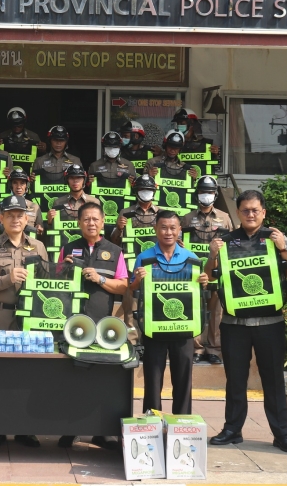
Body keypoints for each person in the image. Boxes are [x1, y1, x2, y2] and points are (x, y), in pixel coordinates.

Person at [205, 190, 287, 453]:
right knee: (235, 380)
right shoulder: (223, 240)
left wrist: (285, 251)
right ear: (239, 213)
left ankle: (282, 434)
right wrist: (212, 255)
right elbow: (208, 277)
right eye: (245, 210)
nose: (250, 214)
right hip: (235, 324)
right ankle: (232, 429)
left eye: (255, 210)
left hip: (271, 322)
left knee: (274, 381)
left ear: (264, 212)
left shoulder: (276, 239)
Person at [0, 194, 49, 449]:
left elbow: (47, 283)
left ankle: (25, 428)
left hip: (30, 317)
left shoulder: (38, 246)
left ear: (27, 218)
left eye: (20, 215)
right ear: (1, 218)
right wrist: (7, 278)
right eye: (10, 215)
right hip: (0, 314)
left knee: (29, 372)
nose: (15, 219)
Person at [58, 202, 129, 450]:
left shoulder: (115, 250)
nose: (91, 223)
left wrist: (100, 279)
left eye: (95, 219)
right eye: (86, 219)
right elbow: (55, 282)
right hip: (72, 325)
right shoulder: (68, 247)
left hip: (103, 326)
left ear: (103, 222)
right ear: (78, 223)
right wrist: (64, 269)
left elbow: (123, 286)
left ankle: (101, 432)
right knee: (72, 379)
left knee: (101, 380)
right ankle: (70, 430)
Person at [131, 210, 209, 415]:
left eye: (173, 228)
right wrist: (138, 279)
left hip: (183, 329)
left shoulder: (191, 258)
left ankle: (182, 422)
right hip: (153, 328)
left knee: (183, 380)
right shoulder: (144, 257)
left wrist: (203, 282)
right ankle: (152, 423)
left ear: (179, 230)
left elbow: (198, 293)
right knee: (152, 380)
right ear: (155, 229)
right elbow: (132, 289)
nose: (168, 232)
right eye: (163, 227)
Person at [181, 175, 233, 365]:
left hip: (217, 271)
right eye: (203, 192)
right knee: (196, 308)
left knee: (215, 310)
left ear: (215, 194)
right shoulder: (187, 218)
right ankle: (197, 347)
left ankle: (213, 348)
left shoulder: (225, 218)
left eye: (209, 192)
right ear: (197, 194)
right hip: (194, 272)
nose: (206, 195)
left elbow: (232, 243)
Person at [110, 174, 159, 344]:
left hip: (157, 266)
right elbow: (115, 242)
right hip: (132, 264)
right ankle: (131, 341)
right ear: (136, 191)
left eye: (149, 190)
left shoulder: (161, 214)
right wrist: (118, 228)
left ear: (154, 191)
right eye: (142, 189)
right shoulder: (126, 213)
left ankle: (152, 339)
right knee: (131, 304)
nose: (146, 193)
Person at [0, 166, 44, 237]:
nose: (18, 187)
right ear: (10, 185)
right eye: (15, 183)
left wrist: (40, 230)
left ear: (26, 186)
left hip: (29, 245)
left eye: (22, 183)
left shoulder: (35, 207)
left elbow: (41, 233)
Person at [173, 108, 220, 175]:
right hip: (182, 182)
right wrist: (161, 153)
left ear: (191, 124)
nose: (179, 126)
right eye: (178, 123)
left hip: (203, 183)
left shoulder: (206, 144)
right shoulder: (173, 143)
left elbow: (215, 162)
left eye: (182, 123)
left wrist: (215, 153)